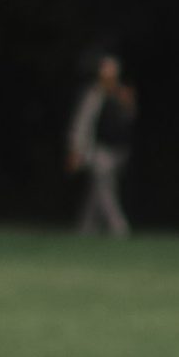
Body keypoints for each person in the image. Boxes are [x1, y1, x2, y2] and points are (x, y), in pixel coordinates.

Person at [65, 53, 135, 237]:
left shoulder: (121, 94)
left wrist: (128, 104)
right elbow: (81, 123)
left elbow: (129, 121)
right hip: (98, 150)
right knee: (106, 190)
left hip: (119, 151)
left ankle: (86, 228)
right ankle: (119, 228)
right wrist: (76, 150)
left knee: (96, 191)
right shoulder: (94, 95)